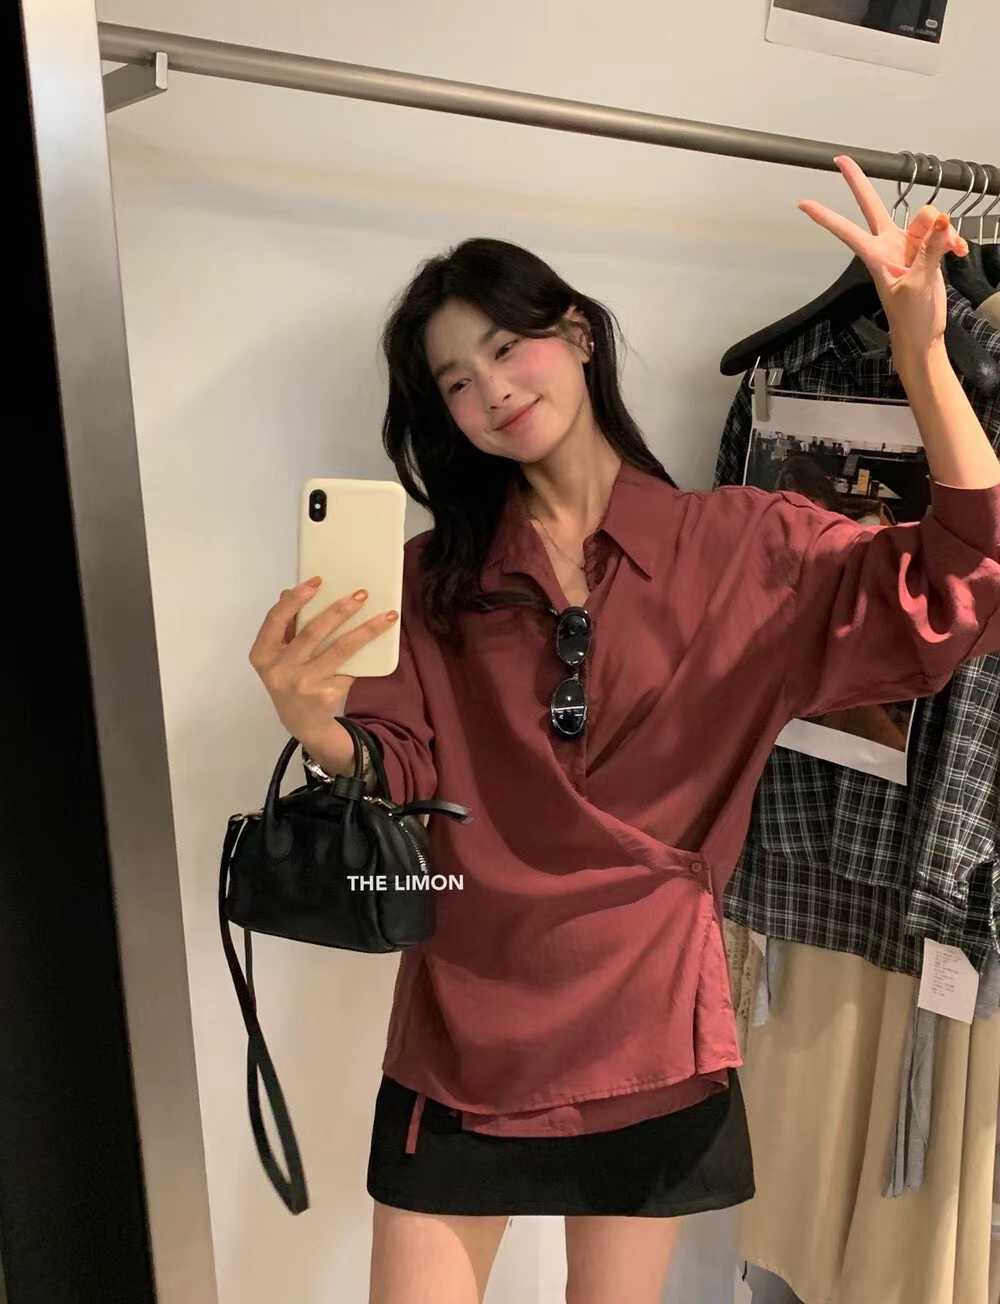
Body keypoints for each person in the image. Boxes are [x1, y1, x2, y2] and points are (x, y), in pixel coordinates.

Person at [248, 157, 1000, 1304]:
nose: (492, 388)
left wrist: (921, 357)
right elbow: (396, 771)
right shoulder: (427, 580)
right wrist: (315, 722)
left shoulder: (747, 547)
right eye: (456, 381)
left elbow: (961, 581)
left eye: (507, 346)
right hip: (464, 1025)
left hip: (649, 1026)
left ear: (576, 334)